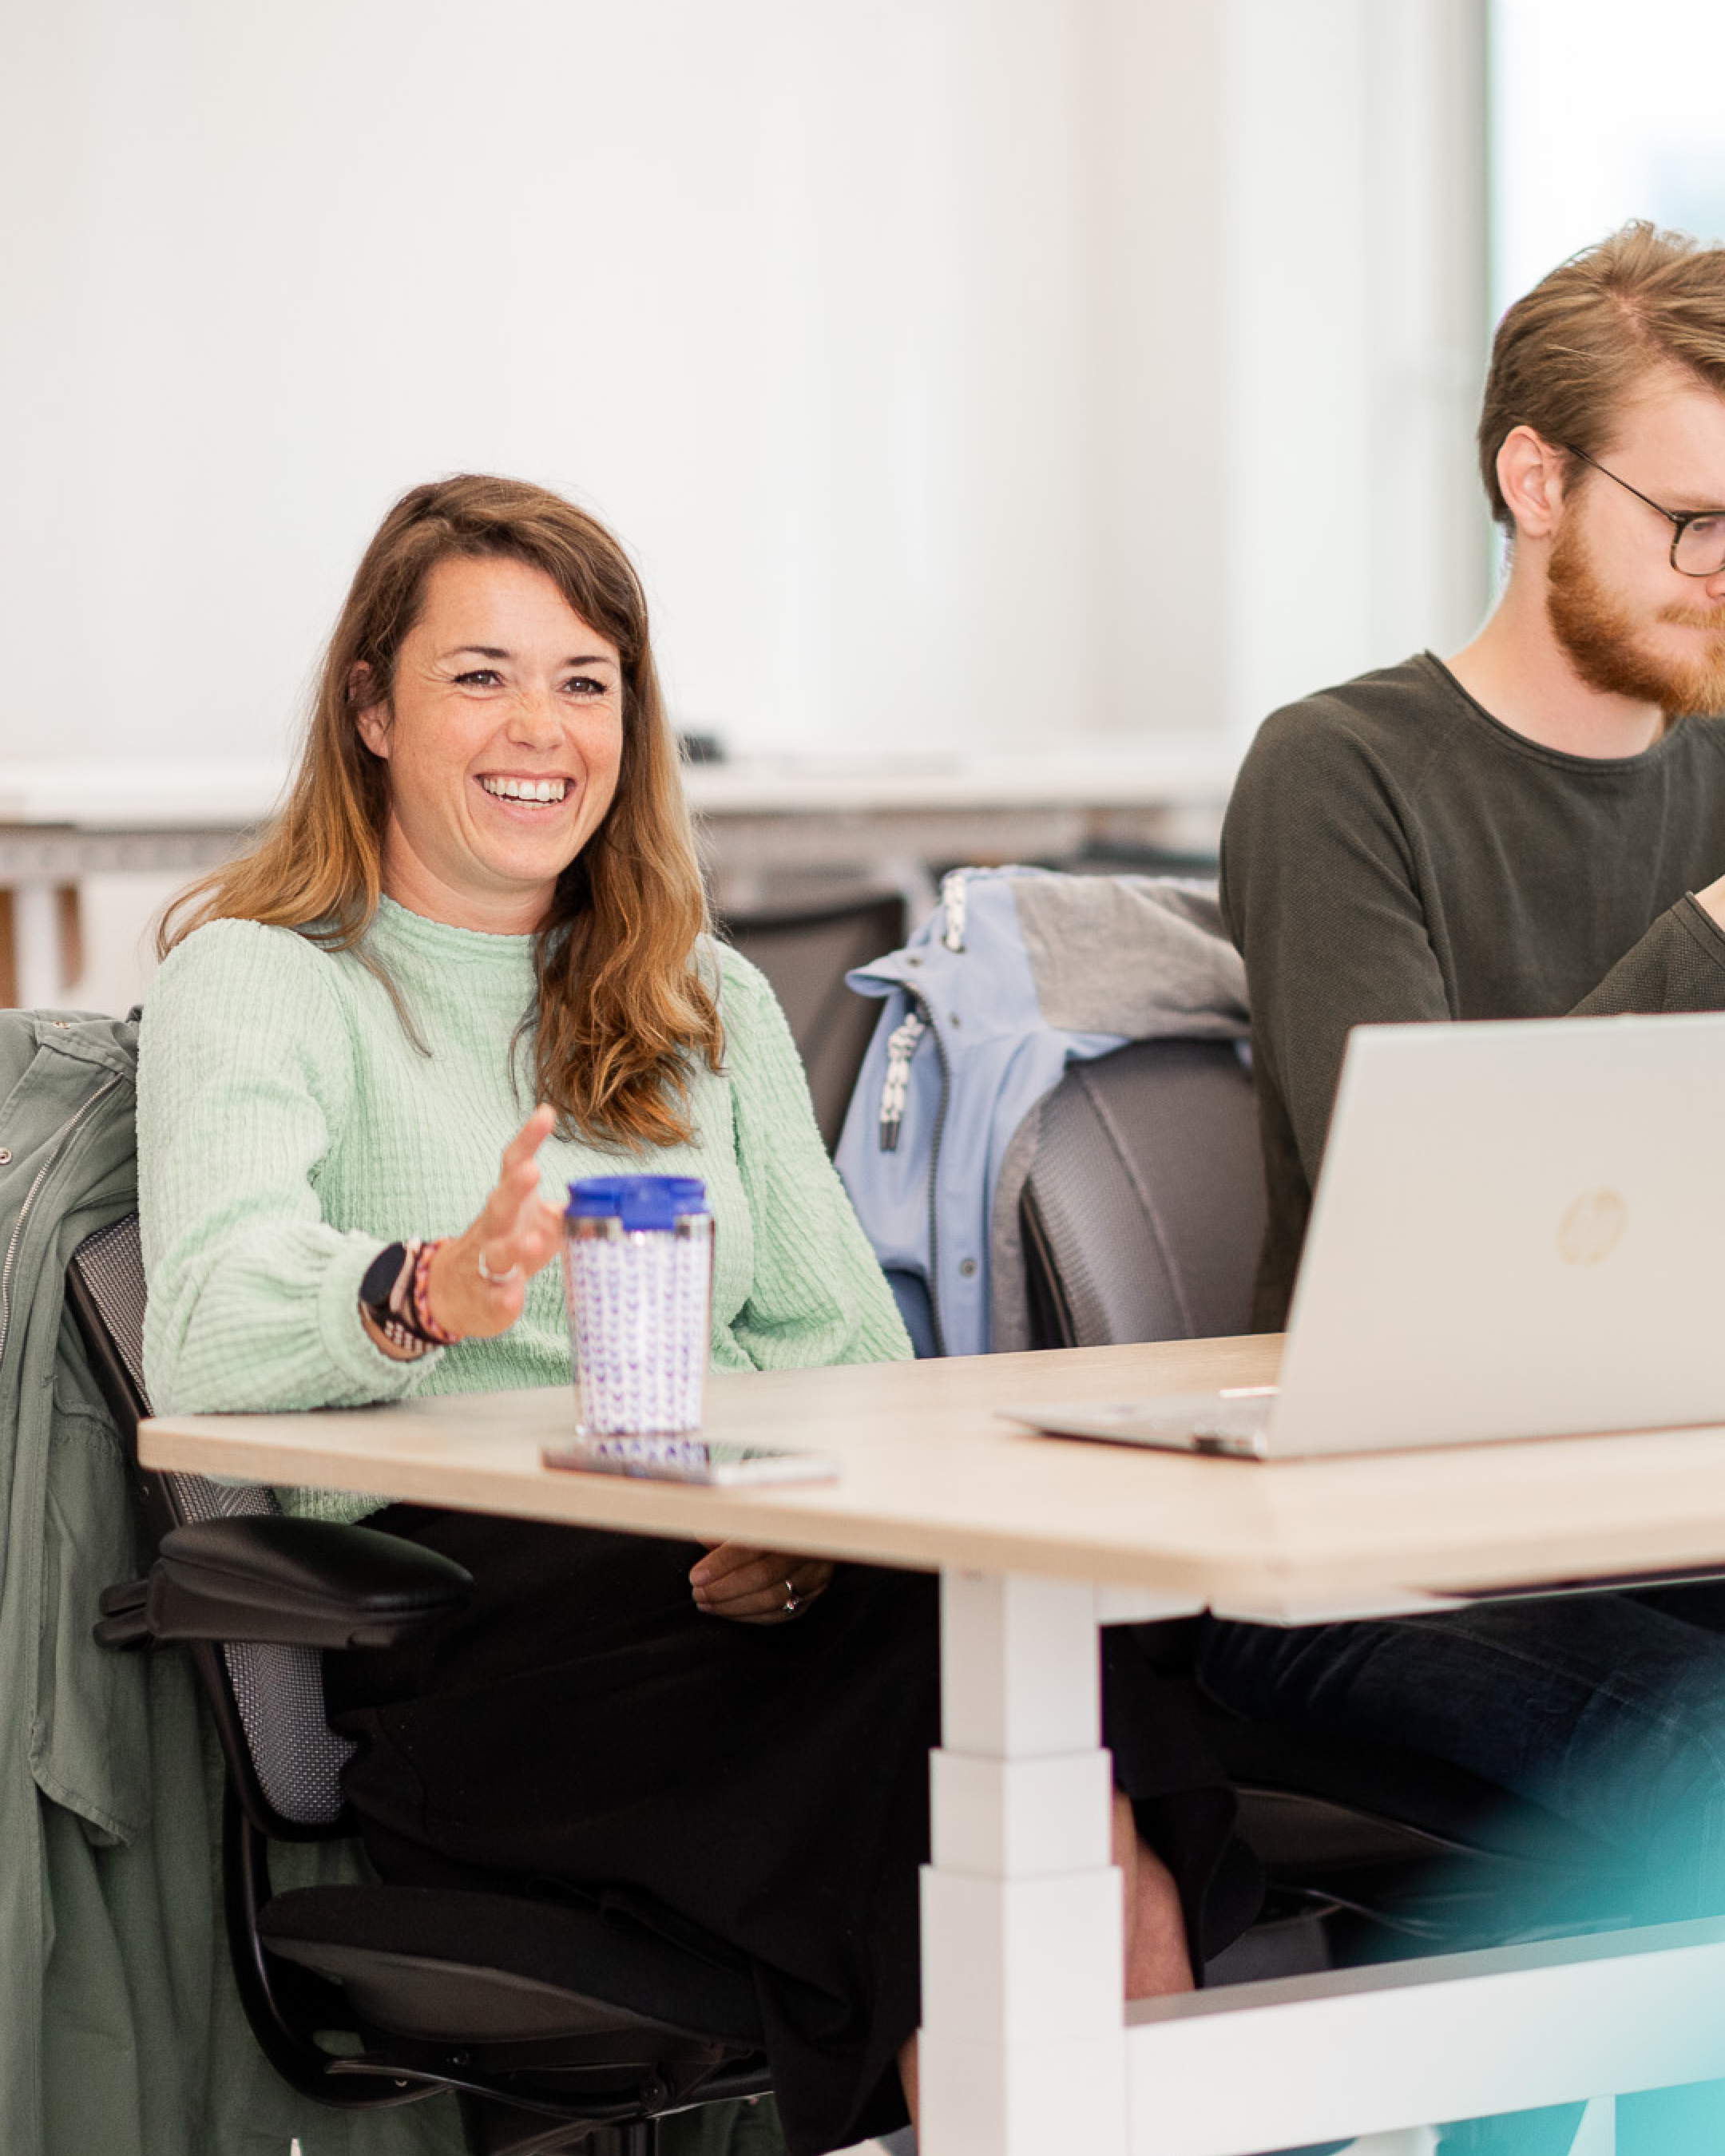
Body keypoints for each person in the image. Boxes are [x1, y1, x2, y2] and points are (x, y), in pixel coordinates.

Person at [136, 474, 1258, 2156]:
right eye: (482, 676)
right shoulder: (263, 975)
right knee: (956, 1707)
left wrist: (805, 1543)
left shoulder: (697, 997)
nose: (544, 728)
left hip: (752, 1569)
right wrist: (431, 1287)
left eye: (587, 682)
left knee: (1046, 1652)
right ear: (370, 707)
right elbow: (212, 1322)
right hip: (483, 1623)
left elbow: (846, 1358)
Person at [1204, 224, 1725, 2155]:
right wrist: (1709, 934)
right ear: (1534, 481)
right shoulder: (1341, 770)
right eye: (1694, 521)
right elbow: (1422, 1190)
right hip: (1368, 1556)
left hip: (1663, 1515)